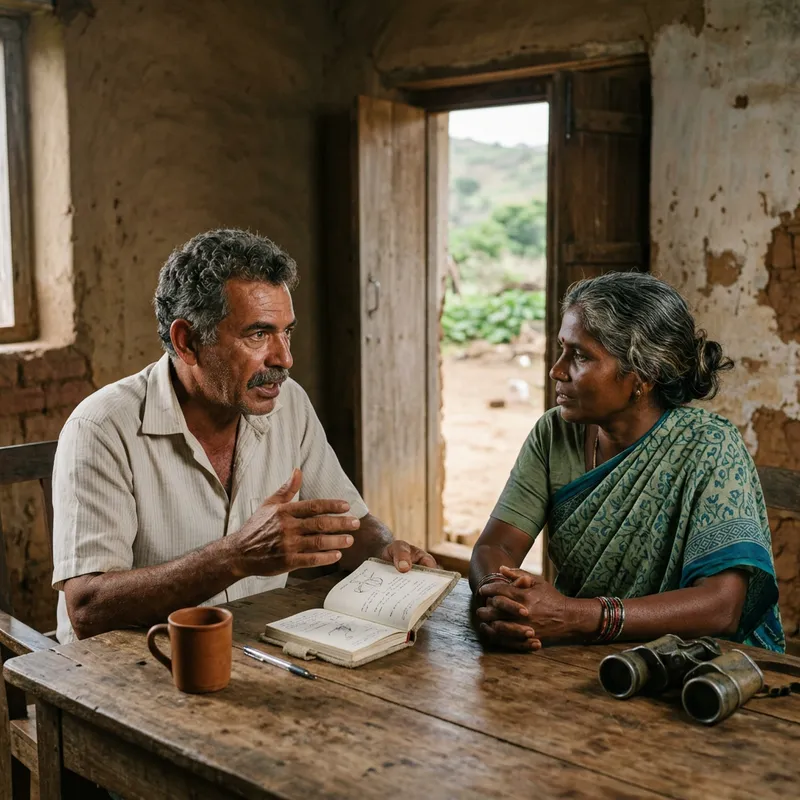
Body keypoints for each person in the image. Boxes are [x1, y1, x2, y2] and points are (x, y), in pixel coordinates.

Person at [53, 229, 435, 643]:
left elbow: (350, 525)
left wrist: (385, 549)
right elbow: (87, 608)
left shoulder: (288, 403)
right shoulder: (102, 427)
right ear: (187, 342)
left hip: (253, 649)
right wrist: (237, 556)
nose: (284, 358)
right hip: (132, 663)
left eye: (286, 332)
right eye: (258, 334)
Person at [470, 272, 784, 653]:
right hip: (575, 655)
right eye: (562, 349)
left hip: (695, 666)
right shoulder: (554, 433)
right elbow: (495, 546)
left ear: (643, 376)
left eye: (580, 356)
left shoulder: (709, 447)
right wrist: (502, 598)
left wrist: (575, 617)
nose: (557, 370)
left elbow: (722, 607)